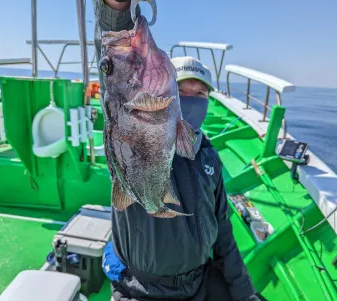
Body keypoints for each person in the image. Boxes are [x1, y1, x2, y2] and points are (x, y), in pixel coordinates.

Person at [94, 1, 261, 300]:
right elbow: (117, 71)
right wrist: (115, 9)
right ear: (169, 87)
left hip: (198, 283)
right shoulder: (132, 121)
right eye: (183, 91)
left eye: (200, 94)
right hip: (140, 291)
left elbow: (222, 228)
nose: (192, 99)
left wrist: (243, 291)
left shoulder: (209, 157)